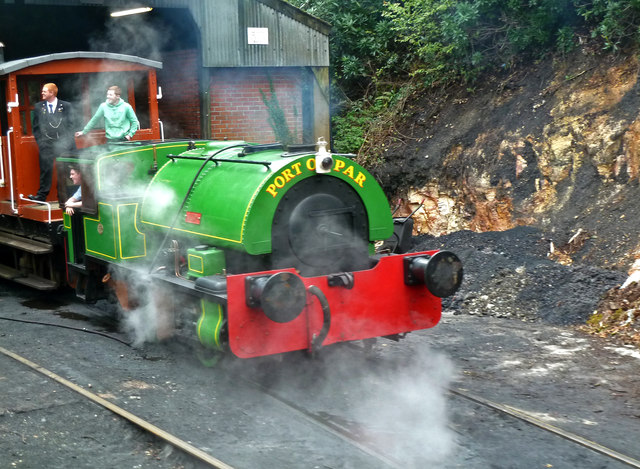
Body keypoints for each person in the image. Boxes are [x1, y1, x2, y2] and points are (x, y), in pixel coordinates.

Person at [30, 83, 76, 202]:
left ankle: (64, 196)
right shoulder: (39, 107)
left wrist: (65, 143)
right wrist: (41, 143)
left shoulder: (66, 106)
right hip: (46, 145)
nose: (42, 93)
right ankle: (41, 196)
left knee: (65, 171)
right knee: (45, 170)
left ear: (52, 93)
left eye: (44, 91)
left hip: (63, 145)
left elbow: (71, 126)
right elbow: (35, 127)